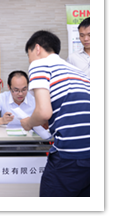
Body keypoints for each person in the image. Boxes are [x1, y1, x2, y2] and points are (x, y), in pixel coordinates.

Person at [21, 30, 90, 197]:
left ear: (37, 48)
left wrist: (28, 123)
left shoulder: (39, 64)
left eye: (29, 55)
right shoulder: (80, 73)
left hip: (70, 154)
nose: (29, 60)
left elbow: (43, 112)